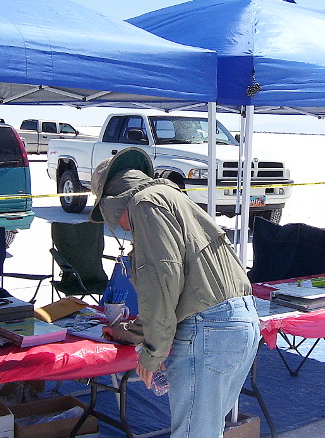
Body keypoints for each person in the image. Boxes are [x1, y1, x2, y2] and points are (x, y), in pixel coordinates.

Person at [90, 147, 259, 438]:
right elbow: (181, 281)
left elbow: (162, 280)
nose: (119, 228)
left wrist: (152, 354)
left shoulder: (144, 204)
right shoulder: (173, 198)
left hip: (209, 329)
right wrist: (141, 329)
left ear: (114, 204)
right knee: (206, 430)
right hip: (239, 323)